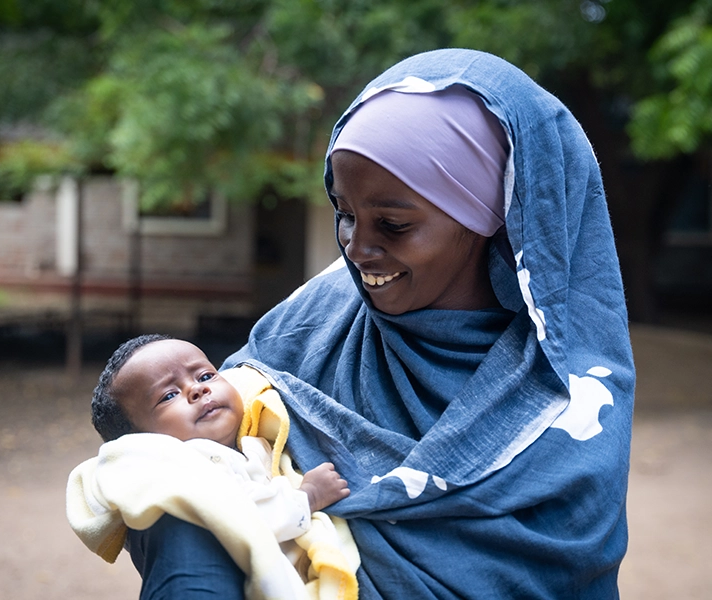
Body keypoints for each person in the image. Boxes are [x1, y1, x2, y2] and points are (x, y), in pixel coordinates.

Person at [124, 48, 636, 599]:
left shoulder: (567, 388)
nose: (357, 248)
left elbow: (566, 566)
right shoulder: (312, 321)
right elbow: (169, 473)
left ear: (485, 215)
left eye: (392, 224)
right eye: (344, 213)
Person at [67, 334, 358, 600]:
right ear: (143, 441)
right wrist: (307, 498)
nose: (197, 389)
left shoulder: (252, 442)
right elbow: (238, 519)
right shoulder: (188, 466)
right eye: (168, 395)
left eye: (206, 375)